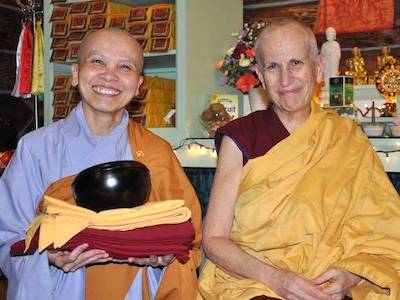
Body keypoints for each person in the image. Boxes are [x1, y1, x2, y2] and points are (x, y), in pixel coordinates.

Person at [198, 18, 400, 300]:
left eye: (296, 63)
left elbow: (383, 232)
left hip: (331, 285)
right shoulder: (241, 136)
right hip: (256, 283)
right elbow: (214, 240)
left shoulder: (346, 137)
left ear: (317, 69)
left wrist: (351, 275)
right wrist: (277, 279)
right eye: (273, 67)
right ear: (259, 74)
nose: (285, 79)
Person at [0, 29, 202, 300]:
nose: (110, 75)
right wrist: (47, 257)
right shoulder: (35, 148)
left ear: (139, 84)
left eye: (125, 66)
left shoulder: (157, 153)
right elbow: (7, 237)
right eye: (97, 61)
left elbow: (188, 240)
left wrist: (163, 257)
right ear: (74, 73)